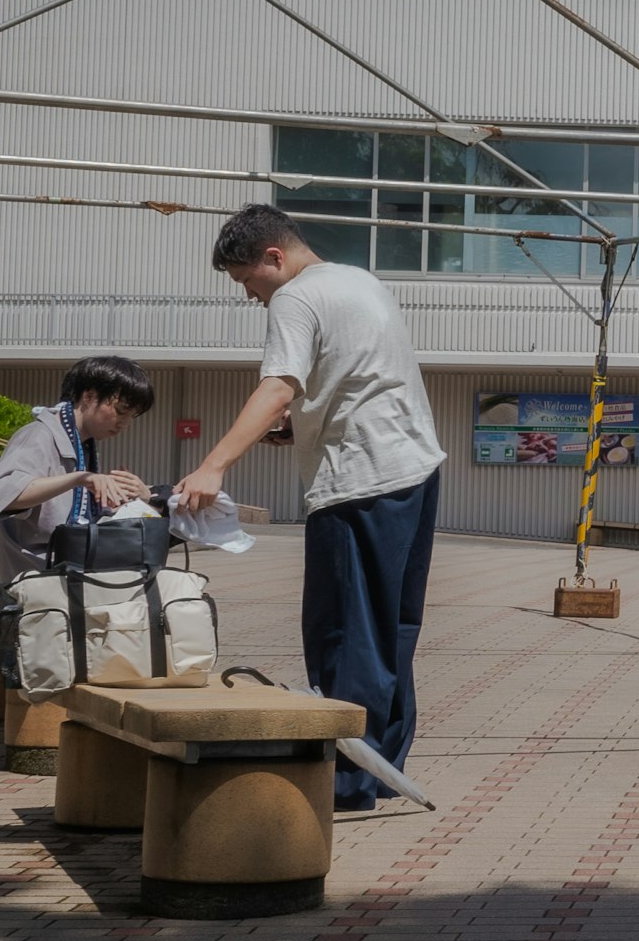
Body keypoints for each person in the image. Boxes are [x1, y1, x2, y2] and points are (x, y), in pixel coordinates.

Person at [179, 205, 445, 809]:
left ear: (275, 257)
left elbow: (280, 386)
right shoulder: (360, 280)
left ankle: (344, 783)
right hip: (414, 471)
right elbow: (355, 381)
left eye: (247, 280)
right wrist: (299, 428)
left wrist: (214, 464)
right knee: (391, 631)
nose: (250, 295)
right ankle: (380, 770)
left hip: (359, 482)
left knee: (346, 634)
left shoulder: (294, 299)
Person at [0, 355, 158, 587]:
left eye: (131, 416)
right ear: (88, 396)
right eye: (120, 411)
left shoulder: (82, 443)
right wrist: (80, 478)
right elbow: (7, 497)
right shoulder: (39, 435)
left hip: (69, 571)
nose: (124, 424)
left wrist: (130, 498)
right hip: (37, 576)